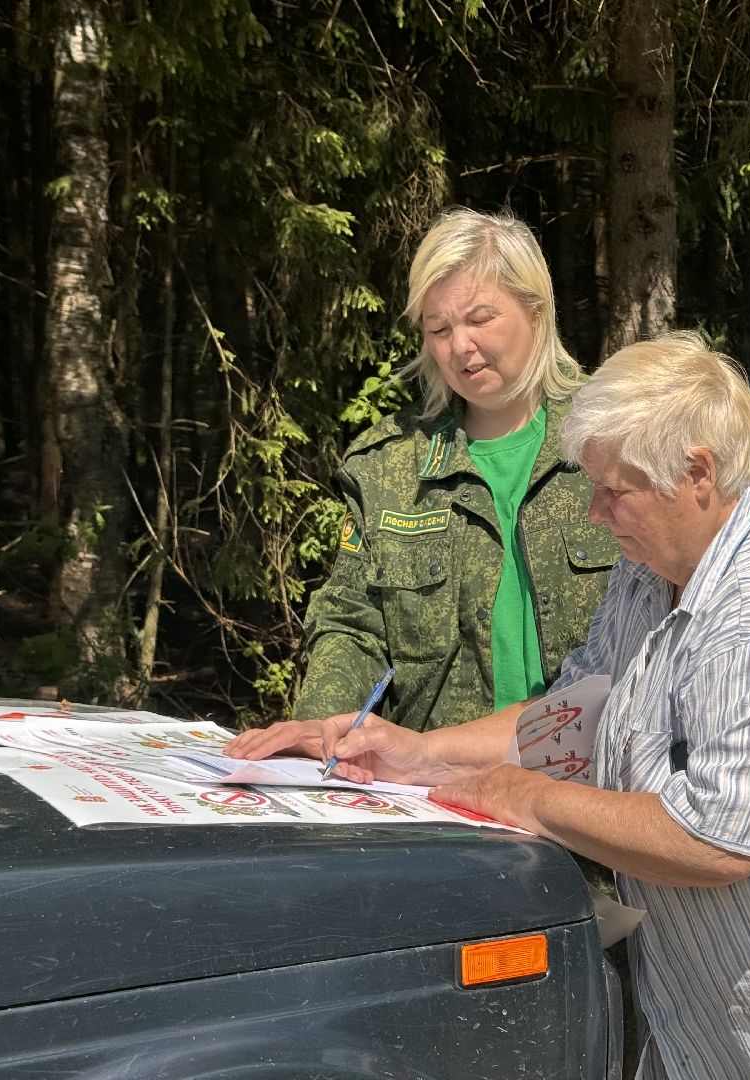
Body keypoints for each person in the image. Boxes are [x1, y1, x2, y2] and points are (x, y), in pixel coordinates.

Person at [308, 331, 750, 1078]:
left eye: (614, 490)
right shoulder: (655, 566)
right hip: (736, 1018)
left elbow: (717, 840)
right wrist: (419, 753)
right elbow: (581, 708)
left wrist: (530, 799)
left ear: (698, 473)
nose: (594, 513)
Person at [228, 207, 618, 760]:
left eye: (480, 319)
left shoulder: (615, 443)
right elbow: (351, 624)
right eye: (439, 329)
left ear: (536, 310)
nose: (460, 346)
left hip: (596, 783)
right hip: (434, 792)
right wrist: (324, 727)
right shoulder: (388, 466)